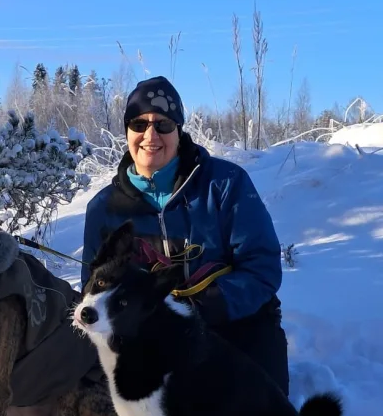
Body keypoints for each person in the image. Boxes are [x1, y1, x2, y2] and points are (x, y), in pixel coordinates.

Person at [81, 75, 290, 396]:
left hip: (235, 325)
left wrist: (204, 305)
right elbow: (91, 288)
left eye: (163, 125)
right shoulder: (103, 208)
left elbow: (261, 266)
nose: (150, 135)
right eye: (139, 124)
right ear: (126, 131)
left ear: (179, 131)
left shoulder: (226, 183)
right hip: (148, 337)